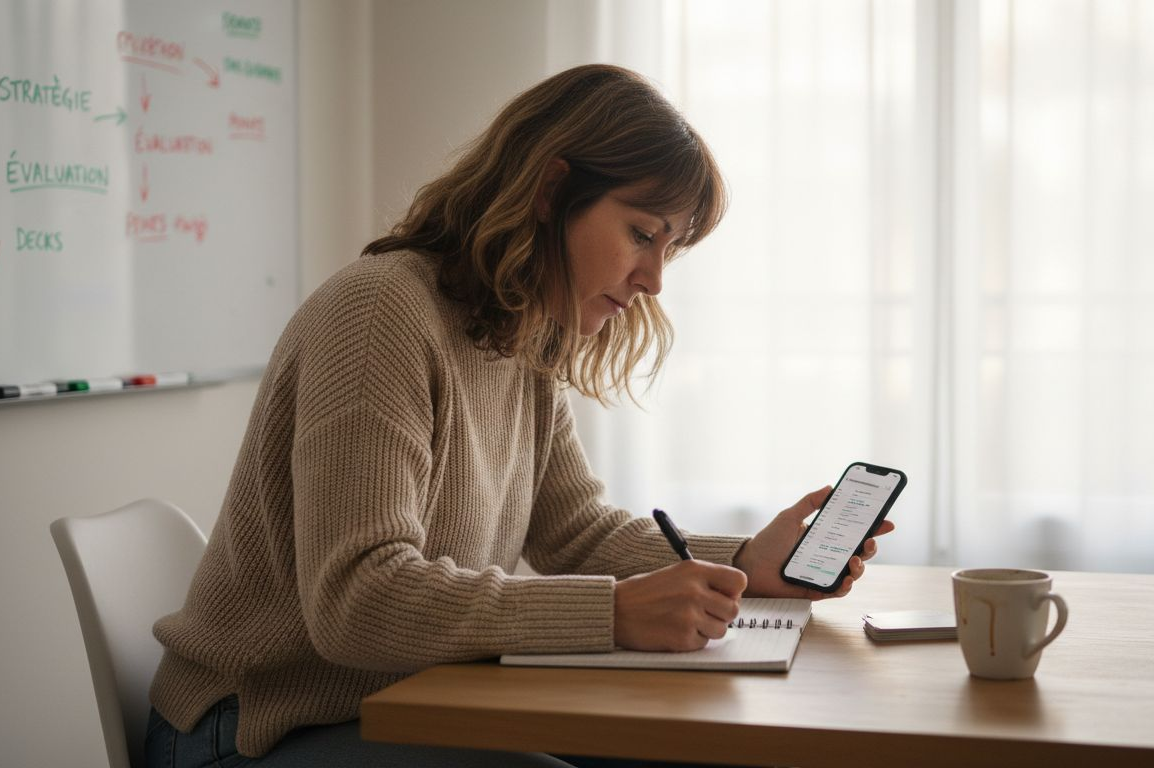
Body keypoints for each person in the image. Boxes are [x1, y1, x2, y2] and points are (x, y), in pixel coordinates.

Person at [144, 63, 894, 768]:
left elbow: (576, 532)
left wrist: (744, 563)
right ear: (550, 191)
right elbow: (358, 600)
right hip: (253, 730)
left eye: (670, 246)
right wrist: (613, 613)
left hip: (405, 704)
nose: (655, 279)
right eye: (641, 232)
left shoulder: (520, 333)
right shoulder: (381, 312)